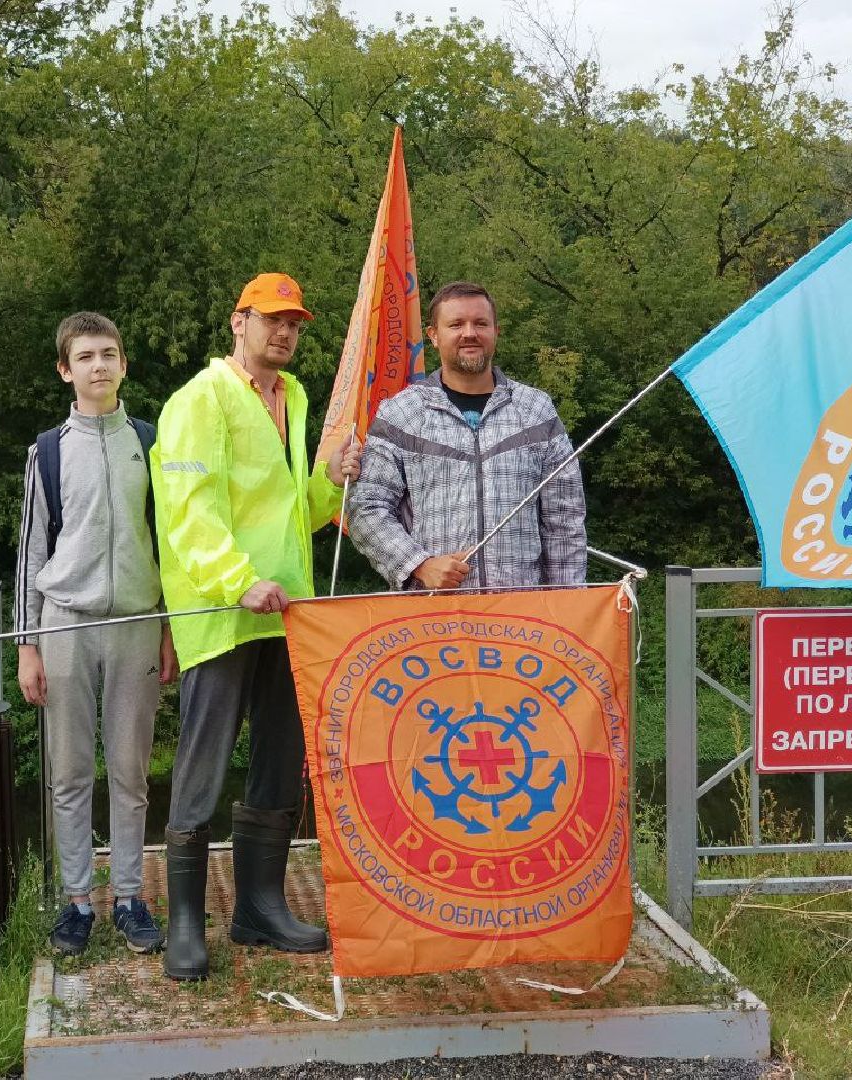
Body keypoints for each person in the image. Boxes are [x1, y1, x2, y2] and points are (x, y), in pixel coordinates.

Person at [151, 272, 361, 981]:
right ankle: (186, 920)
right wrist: (237, 580)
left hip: (287, 608)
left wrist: (331, 478)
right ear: (237, 322)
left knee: (279, 757)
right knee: (203, 761)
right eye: (272, 318)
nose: (285, 332)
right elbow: (188, 507)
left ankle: (259, 909)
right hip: (222, 608)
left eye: (295, 322)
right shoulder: (200, 399)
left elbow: (292, 514)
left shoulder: (294, 398)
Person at [14, 311, 178, 957]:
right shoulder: (47, 451)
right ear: (66, 370)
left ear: (124, 363)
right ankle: (78, 903)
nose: (99, 366)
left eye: (109, 353)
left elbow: (170, 544)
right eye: (85, 357)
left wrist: (168, 628)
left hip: (139, 621)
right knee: (69, 771)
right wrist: (27, 643)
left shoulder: (152, 442)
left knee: (132, 771)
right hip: (66, 624)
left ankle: (132, 898)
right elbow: (30, 551)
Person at [348, 280, 586, 590]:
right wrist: (419, 564)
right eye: (456, 324)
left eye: (481, 323)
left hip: (522, 619)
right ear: (434, 335)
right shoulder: (401, 414)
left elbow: (564, 521)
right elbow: (365, 508)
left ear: (496, 331)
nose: (470, 333)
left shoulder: (535, 410)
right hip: (432, 616)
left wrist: (568, 604)